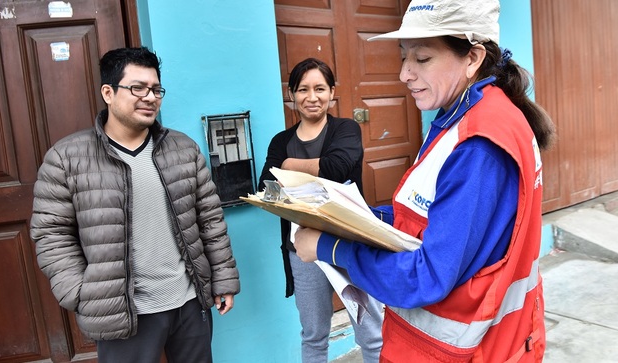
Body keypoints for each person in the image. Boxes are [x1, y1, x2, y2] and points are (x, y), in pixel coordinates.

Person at [294, 1, 556, 362]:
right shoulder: (463, 115)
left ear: (473, 58)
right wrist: (349, 216)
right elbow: (428, 215)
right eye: (404, 57)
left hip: (467, 349)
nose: (405, 73)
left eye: (422, 58)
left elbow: (426, 276)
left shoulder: (479, 142)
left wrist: (331, 248)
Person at [30, 47, 240, 363]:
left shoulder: (183, 149)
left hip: (189, 303)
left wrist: (222, 279)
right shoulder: (66, 159)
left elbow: (209, 218)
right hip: (124, 314)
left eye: (156, 89)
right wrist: (82, 294)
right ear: (108, 93)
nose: (150, 97)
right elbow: (51, 235)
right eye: (137, 88)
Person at [258, 58, 383, 363]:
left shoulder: (345, 129)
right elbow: (266, 187)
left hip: (348, 243)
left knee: (371, 332)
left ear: (331, 92)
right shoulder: (281, 140)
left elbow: (336, 168)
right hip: (302, 250)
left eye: (319, 89)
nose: (312, 97)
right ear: (291, 95)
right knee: (313, 334)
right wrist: (305, 174)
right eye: (303, 89)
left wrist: (286, 167)